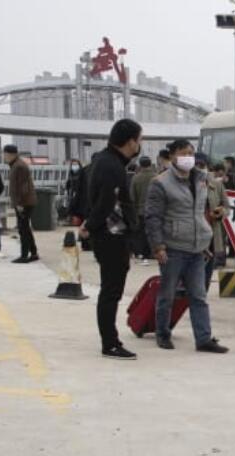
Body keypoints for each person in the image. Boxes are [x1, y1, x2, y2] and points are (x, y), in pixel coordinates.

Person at [144, 139, 228, 354]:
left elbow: (201, 211)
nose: (188, 157)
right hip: (173, 247)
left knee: (198, 295)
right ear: (172, 156)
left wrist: (204, 237)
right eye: (183, 152)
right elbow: (153, 218)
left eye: (191, 152)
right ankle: (162, 333)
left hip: (198, 248)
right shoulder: (160, 182)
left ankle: (204, 338)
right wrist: (158, 247)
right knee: (168, 293)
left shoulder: (201, 179)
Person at [81, 119, 143, 360]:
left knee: (111, 290)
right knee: (111, 292)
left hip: (112, 235)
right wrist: (89, 226)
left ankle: (110, 340)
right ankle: (110, 343)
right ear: (130, 142)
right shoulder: (111, 165)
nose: (140, 145)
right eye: (139, 140)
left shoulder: (105, 160)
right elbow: (106, 202)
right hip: (111, 236)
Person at [3, 145, 39, 263]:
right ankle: (33, 253)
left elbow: (23, 186)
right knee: (25, 228)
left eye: (5, 154)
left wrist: (19, 203)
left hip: (24, 202)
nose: (4, 157)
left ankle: (24, 255)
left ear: (11, 154)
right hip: (24, 201)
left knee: (23, 229)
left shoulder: (19, 166)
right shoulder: (16, 165)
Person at [204, 158, 231, 286]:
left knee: (205, 278)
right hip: (190, 238)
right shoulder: (185, 185)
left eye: (202, 165)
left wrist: (221, 212)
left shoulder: (217, 185)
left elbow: (227, 207)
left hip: (211, 235)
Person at [130, 156, 156, 264]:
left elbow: (132, 197)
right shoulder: (157, 177)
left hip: (141, 210)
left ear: (140, 165)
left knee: (142, 233)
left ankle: (143, 253)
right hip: (155, 210)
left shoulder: (136, 178)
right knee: (154, 232)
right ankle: (153, 252)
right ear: (150, 164)